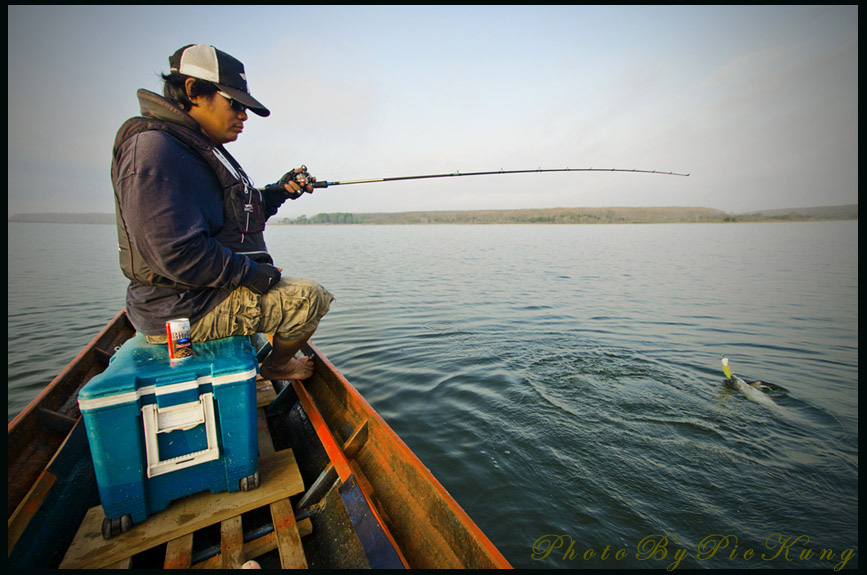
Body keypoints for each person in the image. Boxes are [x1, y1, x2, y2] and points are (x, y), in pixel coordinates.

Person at [111, 44, 333, 381]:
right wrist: (252, 274)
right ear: (192, 92)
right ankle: (276, 366)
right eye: (235, 104)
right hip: (181, 310)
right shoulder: (155, 151)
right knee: (309, 298)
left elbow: (236, 216)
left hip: (197, 295)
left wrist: (277, 192)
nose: (243, 116)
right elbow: (175, 252)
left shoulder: (191, 147)